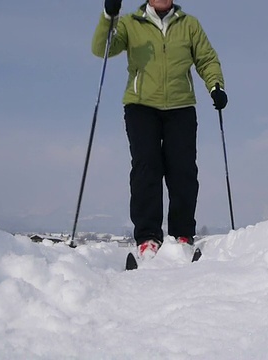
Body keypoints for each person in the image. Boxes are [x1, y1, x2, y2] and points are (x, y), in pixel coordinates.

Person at [92, 0, 228, 260]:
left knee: (183, 170)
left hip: (181, 106)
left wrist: (216, 86)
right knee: (146, 169)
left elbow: (207, 59)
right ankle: (147, 239)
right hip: (141, 106)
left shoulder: (189, 24)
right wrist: (109, 15)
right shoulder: (132, 23)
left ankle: (182, 236)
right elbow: (102, 49)